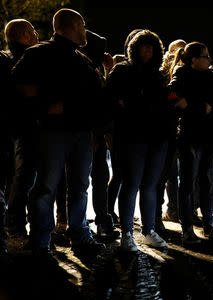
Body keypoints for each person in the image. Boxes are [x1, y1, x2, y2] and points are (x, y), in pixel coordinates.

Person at [11, 9, 106, 258]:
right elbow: (17, 88)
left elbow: (96, 97)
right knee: (47, 186)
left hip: (80, 132)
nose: (84, 29)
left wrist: (95, 131)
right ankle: (42, 239)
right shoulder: (40, 54)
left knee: (77, 186)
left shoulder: (80, 59)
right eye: (81, 24)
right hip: (53, 132)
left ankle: (74, 234)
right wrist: (43, 106)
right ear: (67, 26)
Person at [106, 29, 170, 251]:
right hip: (132, 137)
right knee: (131, 184)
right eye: (143, 46)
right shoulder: (122, 70)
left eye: (151, 46)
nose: (147, 50)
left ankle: (148, 230)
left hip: (157, 137)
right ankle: (127, 233)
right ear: (134, 48)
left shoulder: (158, 74)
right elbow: (112, 102)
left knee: (150, 185)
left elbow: (163, 106)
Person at [168, 41, 213, 243]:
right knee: (187, 183)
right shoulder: (182, 74)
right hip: (190, 136)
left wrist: (211, 104)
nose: (210, 59)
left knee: (206, 181)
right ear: (194, 59)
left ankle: (209, 224)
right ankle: (187, 229)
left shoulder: (211, 75)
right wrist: (198, 105)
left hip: (209, 136)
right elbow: (174, 96)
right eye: (205, 56)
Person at [1, 19, 39, 238]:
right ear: (23, 34)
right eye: (32, 30)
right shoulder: (27, 58)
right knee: (24, 176)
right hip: (24, 125)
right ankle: (15, 223)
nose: (35, 34)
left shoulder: (4, 58)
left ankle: (11, 221)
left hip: (11, 125)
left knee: (13, 176)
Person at [80, 29, 119, 239]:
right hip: (88, 134)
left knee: (99, 178)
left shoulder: (93, 69)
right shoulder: (85, 70)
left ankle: (101, 220)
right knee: (84, 181)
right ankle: (86, 222)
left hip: (96, 134)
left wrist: (108, 70)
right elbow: (97, 103)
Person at [157, 39, 186, 225]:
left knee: (176, 173)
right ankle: (168, 210)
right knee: (168, 172)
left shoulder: (184, 74)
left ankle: (175, 209)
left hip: (180, 127)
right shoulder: (166, 74)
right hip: (167, 127)